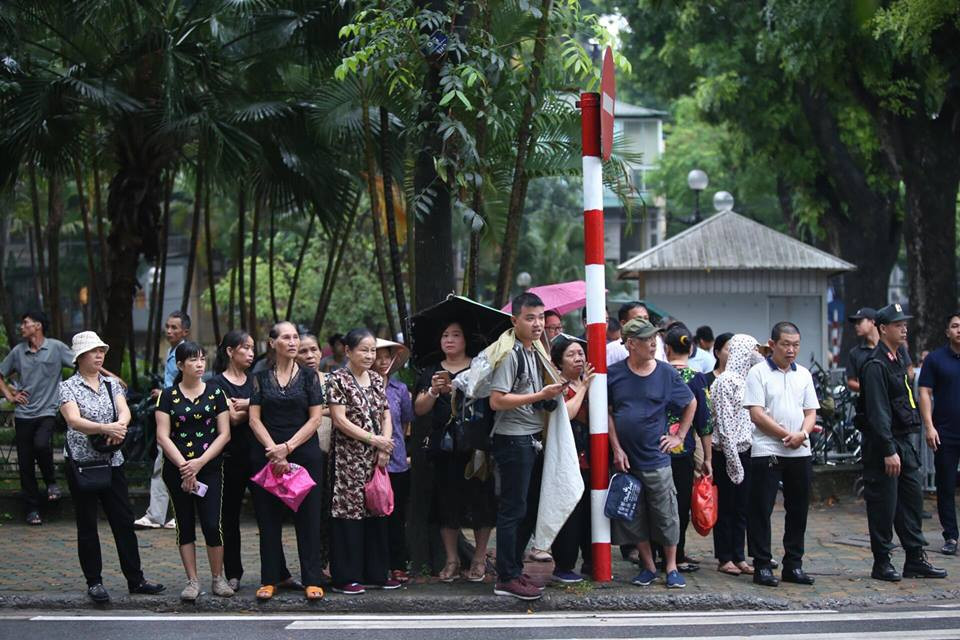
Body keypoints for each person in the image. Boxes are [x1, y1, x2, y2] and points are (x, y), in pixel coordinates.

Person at [58, 331, 165, 603]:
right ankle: (94, 582)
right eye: (93, 351)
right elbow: (73, 420)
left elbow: (124, 410)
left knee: (123, 520)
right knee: (87, 524)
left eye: (101, 351)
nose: (99, 355)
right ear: (80, 356)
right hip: (82, 463)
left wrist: (121, 426)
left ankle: (136, 579)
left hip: (112, 461)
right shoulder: (68, 387)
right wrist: (106, 428)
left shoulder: (111, 384)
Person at [608, 316, 696, 590]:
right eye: (647, 339)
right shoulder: (614, 374)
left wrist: (679, 436)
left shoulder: (666, 373)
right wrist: (616, 448)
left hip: (656, 459)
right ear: (631, 344)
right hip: (626, 460)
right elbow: (607, 413)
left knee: (666, 514)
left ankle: (671, 567)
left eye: (654, 339)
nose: (653, 344)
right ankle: (647, 566)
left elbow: (690, 402)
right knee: (633, 516)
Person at [489, 292, 567, 600]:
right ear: (515, 320)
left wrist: (547, 395)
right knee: (513, 509)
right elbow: (497, 400)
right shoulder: (510, 354)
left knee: (528, 507)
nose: (537, 324)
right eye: (530, 318)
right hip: (513, 439)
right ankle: (505, 577)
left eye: (541, 317)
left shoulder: (535, 351)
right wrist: (540, 396)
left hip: (531, 438)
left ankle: (513, 568)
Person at [860, 304, 946, 581]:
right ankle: (882, 562)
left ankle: (915, 558)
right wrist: (888, 450)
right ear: (883, 329)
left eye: (904, 324)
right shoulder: (876, 364)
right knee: (884, 505)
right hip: (884, 445)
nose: (904, 328)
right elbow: (877, 412)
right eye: (898, 325)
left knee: (911, 501)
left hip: (903, 442)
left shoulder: (897, 358)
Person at [211, 330, 297, 593]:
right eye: (245, 348)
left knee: (269, 516)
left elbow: (266, 409)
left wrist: (247, 405)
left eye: (251, 348)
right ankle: (233, 573)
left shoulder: (257, 380)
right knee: (229, 517)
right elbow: (231, 418)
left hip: (261, 455)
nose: (251, 353)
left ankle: (279, 572)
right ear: (230, 351)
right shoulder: (216, 384)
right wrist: (254, 407)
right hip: (231, 458)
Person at [414, 321, 497, 583]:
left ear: (465, 339)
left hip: (476, 444)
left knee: (482, 501)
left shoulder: (480, 366)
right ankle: (452, 559)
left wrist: (461, 388)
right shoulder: (432, 371)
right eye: (445, 335)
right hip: (444, 446)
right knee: (446, 503)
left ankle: (479, 558)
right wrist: (433, 391)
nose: (449, 340)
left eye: (456, 335)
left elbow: (490, 399)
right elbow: (419, 409)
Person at [248, 321, 327, 601]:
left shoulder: (309, 377)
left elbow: (315, 419)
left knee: (308, 518)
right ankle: (270, 578)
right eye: (286, 337)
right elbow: (254, 419)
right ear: (272, 343)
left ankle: (312, 579)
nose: (293, 342)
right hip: (266, 452)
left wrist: (288, 447)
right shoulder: (259, 377)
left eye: (295, 337)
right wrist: (273, 449)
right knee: (268, 519)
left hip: (304, 452)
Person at [155, 341, 233, 601]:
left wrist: (199, 463)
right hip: (177, 469)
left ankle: (218, 578)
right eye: (193, 360)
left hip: (209, 468)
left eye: (202, 359)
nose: (200, 364)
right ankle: (192, 581)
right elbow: (163, 436)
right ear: (180, 365)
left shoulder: (215, 393)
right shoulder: (168, 396)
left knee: (212, 523)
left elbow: (224, 434)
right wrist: (185, 468)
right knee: (184, 524)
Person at [743, 322, 819, 587]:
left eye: (796, 345)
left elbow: (811, 412)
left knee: (798, 509)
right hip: (767, 449)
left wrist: (802, 434)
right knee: (761, 509)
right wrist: (786, 435)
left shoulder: (804, 374)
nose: (791, 350)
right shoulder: (758, 373)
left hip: (800, 450)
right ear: (772, 344)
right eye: (786, 344)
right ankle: (762, 565)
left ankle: (794, 565)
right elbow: (756, 414)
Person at [326, 328, 400, 594]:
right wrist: (374, 439)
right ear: (348, 351)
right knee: (349, 514)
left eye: (372, 351)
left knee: (376, 510)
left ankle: (377, 573)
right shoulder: (337, 379)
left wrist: (385, 445)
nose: (370, 356)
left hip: (376, 458)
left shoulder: (377, 379)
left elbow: (386, 414)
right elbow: (339, 420)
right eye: (364, 350)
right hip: (348, 459)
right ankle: (346, 577)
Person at [0, 311, 74, 524]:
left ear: (38, 326)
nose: (21, 327)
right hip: (23, 414)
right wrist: (10, 396)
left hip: (47, 411)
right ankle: (32, 510)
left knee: (41, 445)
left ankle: (51, 482)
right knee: (25, 464)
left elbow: (80, 364)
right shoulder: (18, 352)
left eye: (26, 323)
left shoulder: (56, 348)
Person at [662, 323, 713, 573]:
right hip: (683, 449)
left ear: (666, 348)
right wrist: (708, 458)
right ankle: (677, 554)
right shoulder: (697, 378)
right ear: (691, 349)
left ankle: (658, 553)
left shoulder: (657, 373)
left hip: (655, 449)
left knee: (657, 502)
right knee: (681, 503)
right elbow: (705, 421)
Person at [710, 334, 761, 577]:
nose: (756, 355)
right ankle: (725, 557)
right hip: (726, 452)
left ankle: (739, 555)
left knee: (742, 506)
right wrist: (733, 460)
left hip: (745, 450)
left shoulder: (747, 380)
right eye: (752, 350)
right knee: (726, 507)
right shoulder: (724, 382)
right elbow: (724, 424)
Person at [135, 310, 190, 530]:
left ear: (185, 331)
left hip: (180, 414)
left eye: (174, 327)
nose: (169, 331)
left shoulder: (186, 352)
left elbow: (189, 383)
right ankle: (159, 515)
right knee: (165, 463)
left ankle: (171, 514)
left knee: (178, 463)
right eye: (167, 326)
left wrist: (165, 393)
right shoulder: (171, 351)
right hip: (168, 413)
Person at [549, 336, 595, 583]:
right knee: (570, 513)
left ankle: (591, 560)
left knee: (591, 511)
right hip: (568, 458)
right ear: (559, 361)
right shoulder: (557, 385)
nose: (578, 358)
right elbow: (566, 414)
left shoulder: (594, 381)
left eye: (581, 353)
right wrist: (584, 388)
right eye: (571, 354)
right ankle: (564, 565)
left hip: (592, 458)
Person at [919, 312, 960, 556]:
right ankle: (951, 536)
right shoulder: (935, 359)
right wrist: (929, 426)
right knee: (945, 486)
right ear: (947, 332)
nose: (959, 330)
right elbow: (924, 392)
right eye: (955, 326)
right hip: (945, 432)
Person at [374, 338, 414, 583]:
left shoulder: (400, 390)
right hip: (367, 461)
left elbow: (406, 422)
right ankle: (376, 565)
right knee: (372, 516)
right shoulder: (361, 387)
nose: (382, 362)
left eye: (386, 357)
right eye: (377, 357)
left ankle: (398, 564)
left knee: (396, 515)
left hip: (397, 460)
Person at [847, 307, 914, 391]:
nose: (856, 326)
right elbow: (851, 381)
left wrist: (898, 384)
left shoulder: (896, 345)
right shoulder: (855, 353)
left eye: (859, 322)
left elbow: (910, 370)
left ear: (872, 322)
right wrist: (873, 387)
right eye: (898, 325)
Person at [606, 302, 666, 367]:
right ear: (623, 323)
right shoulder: (613, 349)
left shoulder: (657, 340)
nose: (644, 323)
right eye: (638, 320)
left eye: (646, 318)